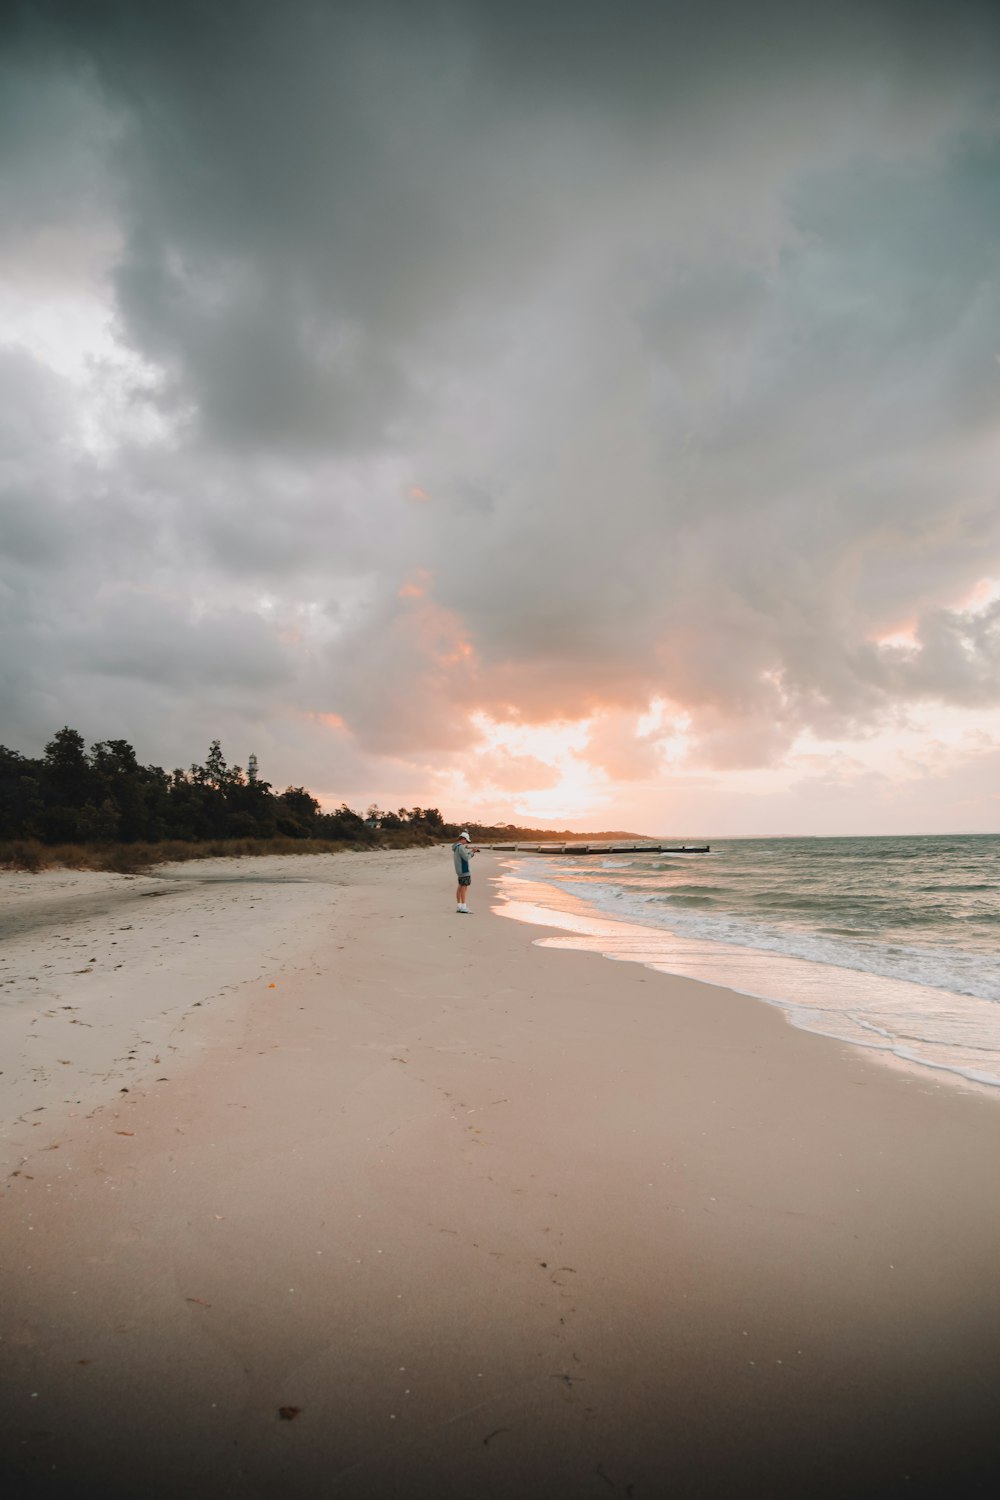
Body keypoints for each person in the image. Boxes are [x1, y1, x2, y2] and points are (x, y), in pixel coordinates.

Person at [452, 830, 478, 913]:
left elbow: (464, 856)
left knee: (460, 887)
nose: (466, 842)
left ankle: (459, 906)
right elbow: (466, 858)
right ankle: (463, 906)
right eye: (466, 841)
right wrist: (473, 852)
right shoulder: (461, 847)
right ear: (462, 839)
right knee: (464, 888)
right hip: (464, 870)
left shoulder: (456, 847)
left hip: (459, 870)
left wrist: (470, 852)